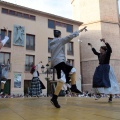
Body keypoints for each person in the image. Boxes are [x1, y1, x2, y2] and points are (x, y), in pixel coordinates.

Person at [50, 26, 87, 108]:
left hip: (56, 62)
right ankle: (71, 88)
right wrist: (80, 30)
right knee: (68, 74)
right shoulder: (60, 40)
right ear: (59, 35)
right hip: (59, 62)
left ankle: (56, 97)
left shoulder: (51, 43)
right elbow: (70, 36)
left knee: (66, 75)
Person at [0, 27, 9, 93]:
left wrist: (6, 31)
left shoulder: (1, 43)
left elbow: (6, 37)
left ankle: (2, 90)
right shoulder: (1, 43)